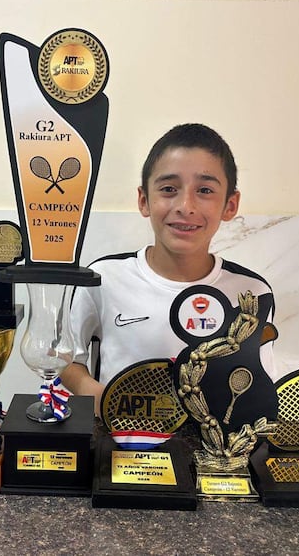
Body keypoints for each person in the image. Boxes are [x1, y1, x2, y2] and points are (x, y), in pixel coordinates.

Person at [60, 123, 274, 416]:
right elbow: (66, 359)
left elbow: (258, 380)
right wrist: (101, 398)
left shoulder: (252, 294)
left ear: (230, 205)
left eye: (205, 190)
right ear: (144, 200)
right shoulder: (103, 278)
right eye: (169, 189)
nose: (186, 206)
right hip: (119, 440)